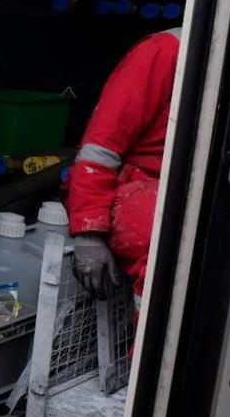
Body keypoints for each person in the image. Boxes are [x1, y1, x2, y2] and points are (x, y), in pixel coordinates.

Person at [67, 27, 182, 307]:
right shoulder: (166, 50)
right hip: (130, 188)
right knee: (172, 251)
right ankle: (148, 349)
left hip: (182, 189)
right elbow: (100, 148)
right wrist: (88, 232)